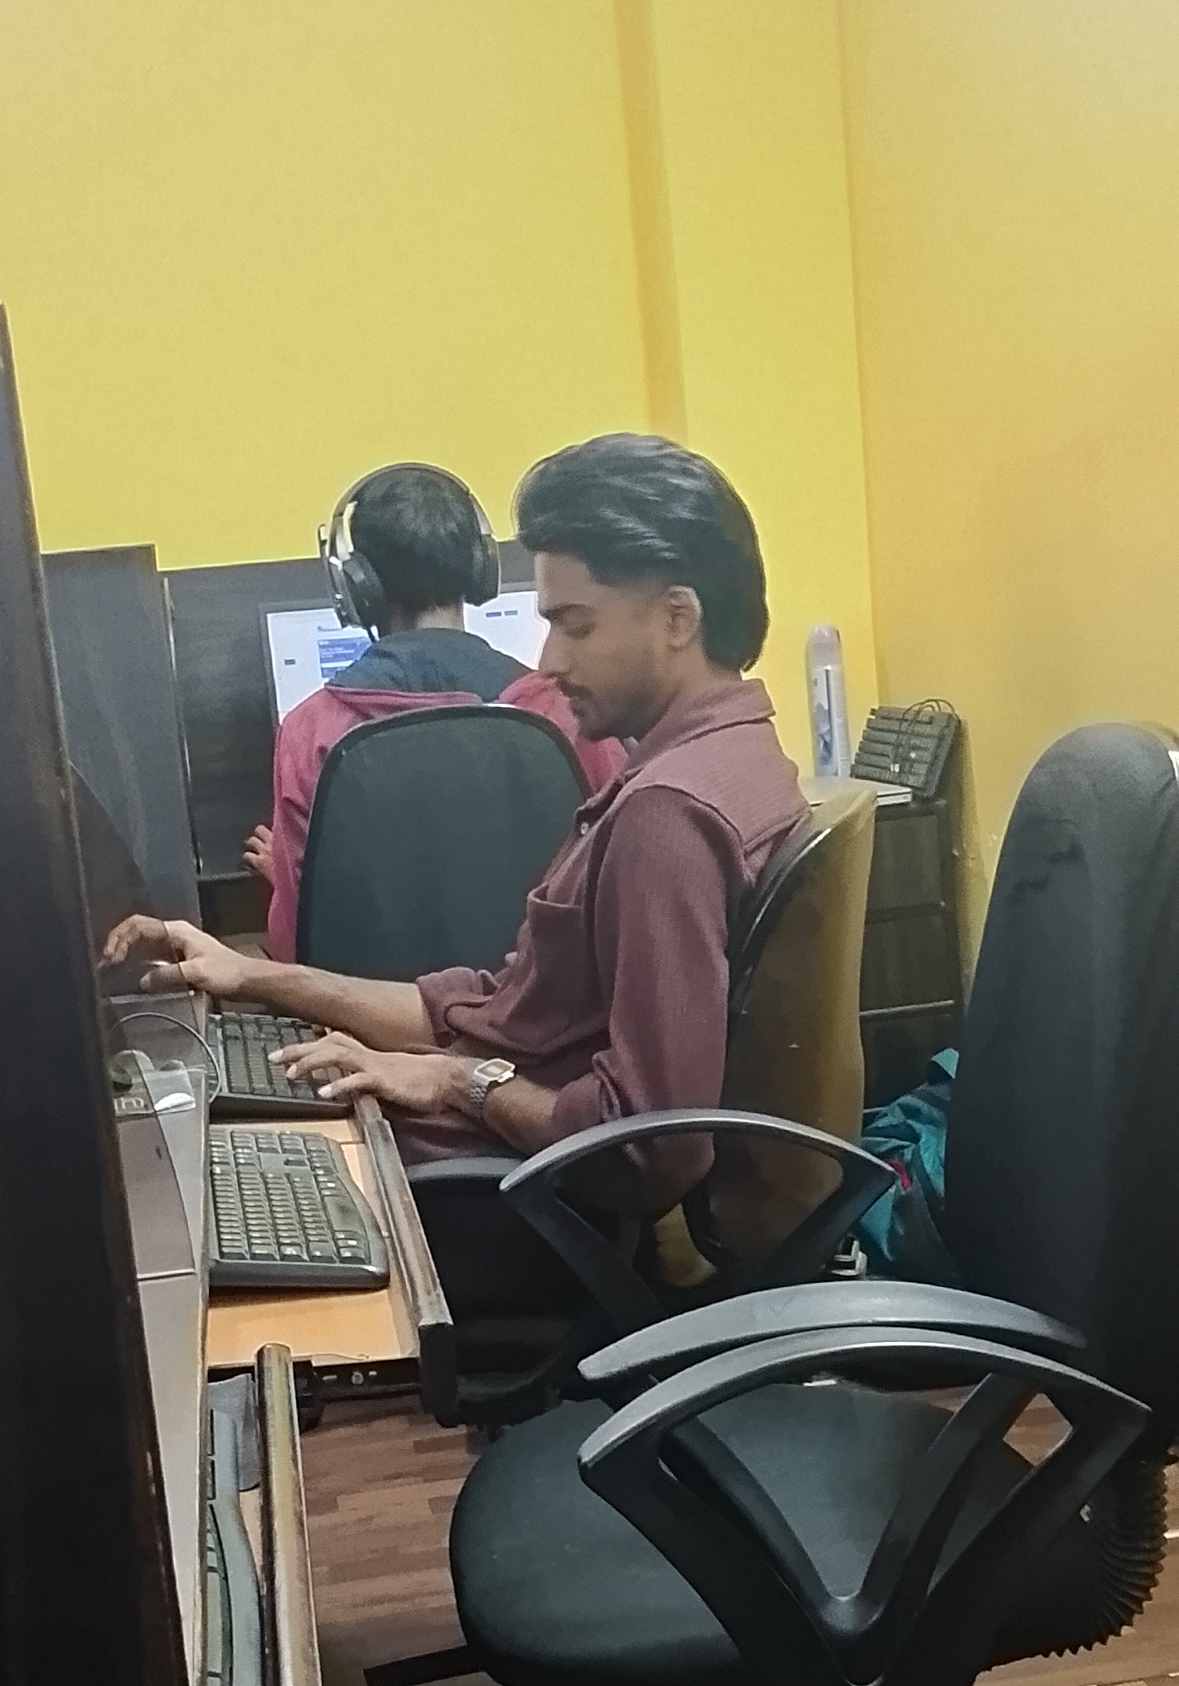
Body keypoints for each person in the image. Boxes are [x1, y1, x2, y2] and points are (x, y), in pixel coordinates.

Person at [102, 432, 808, 1200]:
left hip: (507, 1188)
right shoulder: (738, 756)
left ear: (678, 618)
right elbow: (483, 1009)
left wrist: (457, 1082)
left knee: (202, 1177)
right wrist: (250, 975)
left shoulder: (665, 817)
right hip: (499, 1144)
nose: (549, 662)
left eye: (576, 625)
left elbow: (651, 1142)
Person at [247, 460, 620, 961]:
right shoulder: (566, 708)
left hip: (371, 1012)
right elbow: (619, 868)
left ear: (356, 587)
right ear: (480, 567)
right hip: (545, 998)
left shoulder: (310, 731)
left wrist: (296, 884)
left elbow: (296, 947)